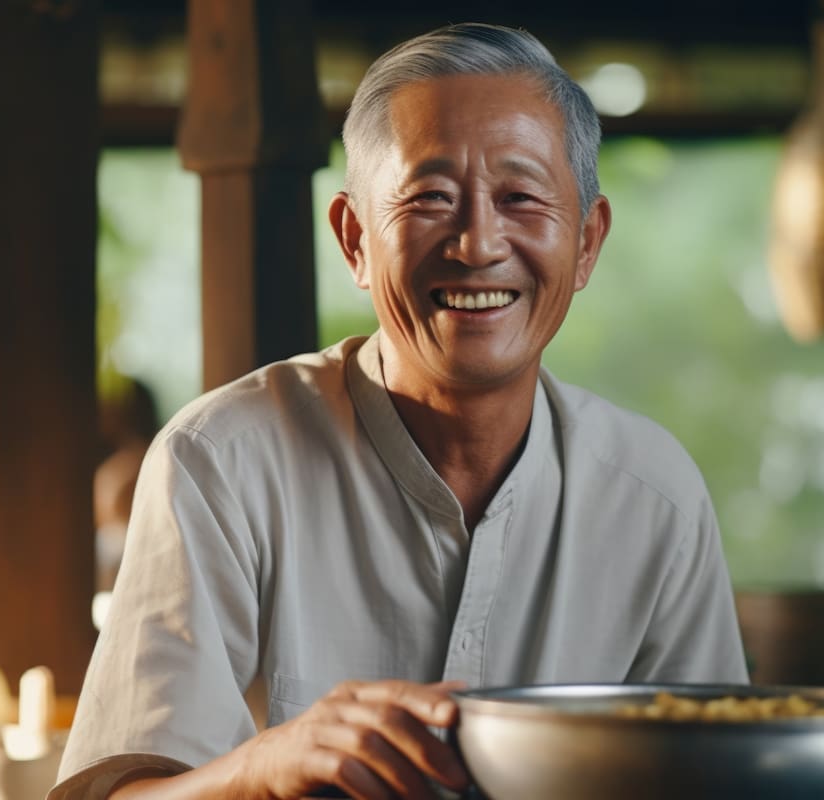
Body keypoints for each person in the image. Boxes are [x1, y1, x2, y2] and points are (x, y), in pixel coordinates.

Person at [50, 22, 747, 800]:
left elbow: (716, 775)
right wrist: (266, 766)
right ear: (354, 239)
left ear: (586, 241)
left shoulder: (653, 495)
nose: (478, 244)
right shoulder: (221, 464)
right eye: (431, 198)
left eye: (520, 198)